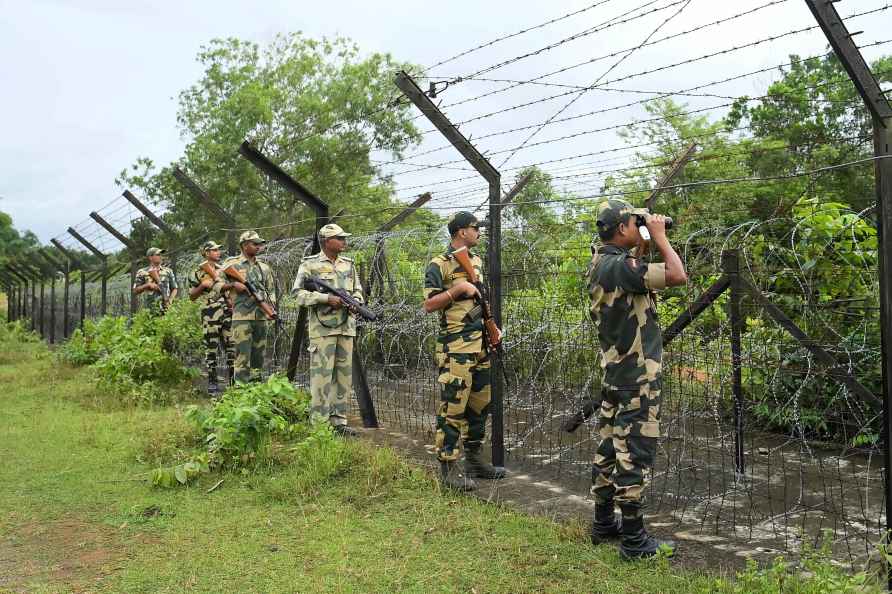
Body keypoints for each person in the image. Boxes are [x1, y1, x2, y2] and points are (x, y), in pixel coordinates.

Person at [586, 198, 687, 559]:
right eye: (633, 222)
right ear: (622, 228)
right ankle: (634, 541)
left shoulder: (604, 262)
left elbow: (638, 272)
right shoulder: (619, 266)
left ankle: (603, 523)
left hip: (617, 374)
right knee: (634, 455)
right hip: (637, 378)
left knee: (610, 448)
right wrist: (659, 236)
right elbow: (677, 275)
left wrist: (642, 237)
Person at [422, 211, 506, 491]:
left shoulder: (476, 261)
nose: (479, 232)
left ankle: (473, 460)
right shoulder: (440, 264)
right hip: (455, 347)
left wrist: (492, 328)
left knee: (480, 404)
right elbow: (430, 305)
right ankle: (447, 467)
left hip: (479, 343)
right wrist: (457, 289)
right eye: (474, 228)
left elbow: (481, 300)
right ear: (460, 232)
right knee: (453, 406)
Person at [292, 223, 364, 437]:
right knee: (321, 378)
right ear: (326, 241)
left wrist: (356, 302)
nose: (344, 241)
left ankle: (338, 422)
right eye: (339, 238)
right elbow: (297, 294)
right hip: (322, 330)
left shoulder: (349, 264)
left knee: (343, 378)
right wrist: (326, 298)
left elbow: (358, 290)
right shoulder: (310, 265)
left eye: (343, 238)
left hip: (346, 328)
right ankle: (319, 425)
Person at [222, 231, 276, 384]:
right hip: (242, 317)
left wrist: (270, 308)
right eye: (255, 244)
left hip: (260, 317)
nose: (259, 247)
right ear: (244, 245)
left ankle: (256, 392)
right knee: (242, 358)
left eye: (260, 244)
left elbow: (270, 291)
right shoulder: (231, 265)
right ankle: (241, 394)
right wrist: (233, 285)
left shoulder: (264, 268)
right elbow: (216, 285)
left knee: (258, 358)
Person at [188, 240, 235, 395]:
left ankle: (233, 382)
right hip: (210, 313)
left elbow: (229, 289)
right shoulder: (198, 271)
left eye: (218, 250)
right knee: (211, 349)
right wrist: (203, 285)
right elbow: (192, 296)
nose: (218, 252)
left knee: (231, 346)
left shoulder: (224, 270)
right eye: (214, 250)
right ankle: (213, 381)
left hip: (227, 312)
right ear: (207, 253)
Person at [133, 247, 178, 315]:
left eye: (161, 254)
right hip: (149, 310)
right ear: (150, 257)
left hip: (166, 309)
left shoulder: (168, 271)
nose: (161, 256)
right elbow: (135, 290)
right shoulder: (142, 272)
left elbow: (174, 288)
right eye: (158, 254)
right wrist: (147, 285)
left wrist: (170, 301)